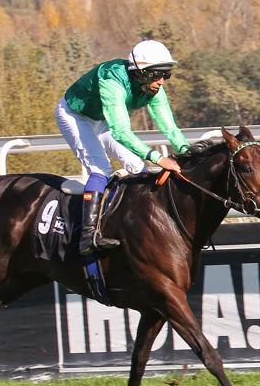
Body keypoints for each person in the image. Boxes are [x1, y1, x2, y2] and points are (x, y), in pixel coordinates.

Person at [55, 39, 191, 298]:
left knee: (137, 166)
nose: (162, 81)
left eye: (166, 74)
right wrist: (157, 157)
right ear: (140, 72)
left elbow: (170, 127)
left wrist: (187, 152)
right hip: (75, 116)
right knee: (100, 169)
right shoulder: (112, 78)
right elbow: (120, 131)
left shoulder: (151, 86)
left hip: (101, 120)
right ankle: (87, 236)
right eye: (157, 74)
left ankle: (132, 226)